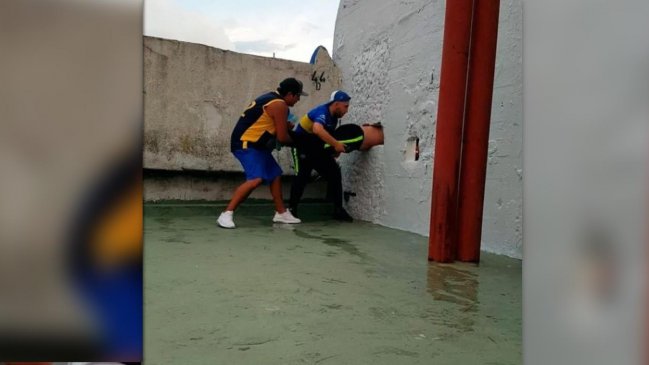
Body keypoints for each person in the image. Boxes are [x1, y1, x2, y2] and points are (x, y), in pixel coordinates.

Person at [217, 78, 307, 228]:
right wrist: (301, 143)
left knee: (274, 174)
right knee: (256, 179)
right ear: (290, 94)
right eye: (298, 96)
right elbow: (282, 137)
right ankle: (226, 214)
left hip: (255, 145)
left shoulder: (270, 98)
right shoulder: (280, 105)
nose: (298, 100)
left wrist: (285, 126)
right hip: (246, 144)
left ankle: (281, 213)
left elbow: (266, 122)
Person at [289, 90, 354, 222]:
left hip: (316, 148)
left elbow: (324, 137)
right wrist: (336, 144)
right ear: (336, 104)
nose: (347, 110)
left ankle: (338, 210)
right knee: (302, 176)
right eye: (345, 106)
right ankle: (291, 209)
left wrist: (333, 150)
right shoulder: (322, 112)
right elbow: (317, 129)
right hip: (302, 146)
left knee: (334, 173)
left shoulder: (334, 118)